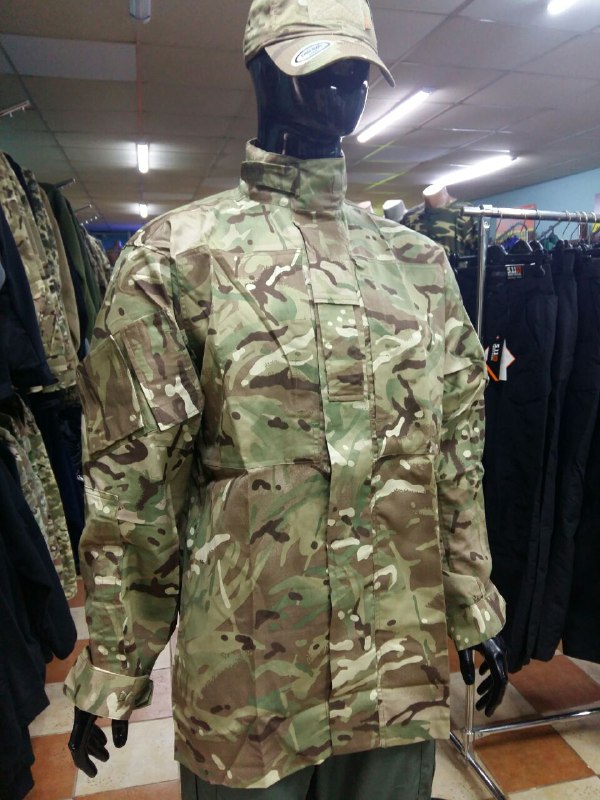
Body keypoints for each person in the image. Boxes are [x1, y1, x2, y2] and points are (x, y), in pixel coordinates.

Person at [65, 1, 508, 798]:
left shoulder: (418, 267)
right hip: (249, 680)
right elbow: (134, 486)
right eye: (318, 68)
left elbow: (455, 459)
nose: (341, 91)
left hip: (392, 667)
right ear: (261, 71)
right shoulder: (175, 258)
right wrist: (116, 663)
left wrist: (473, 607)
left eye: (356, 73)